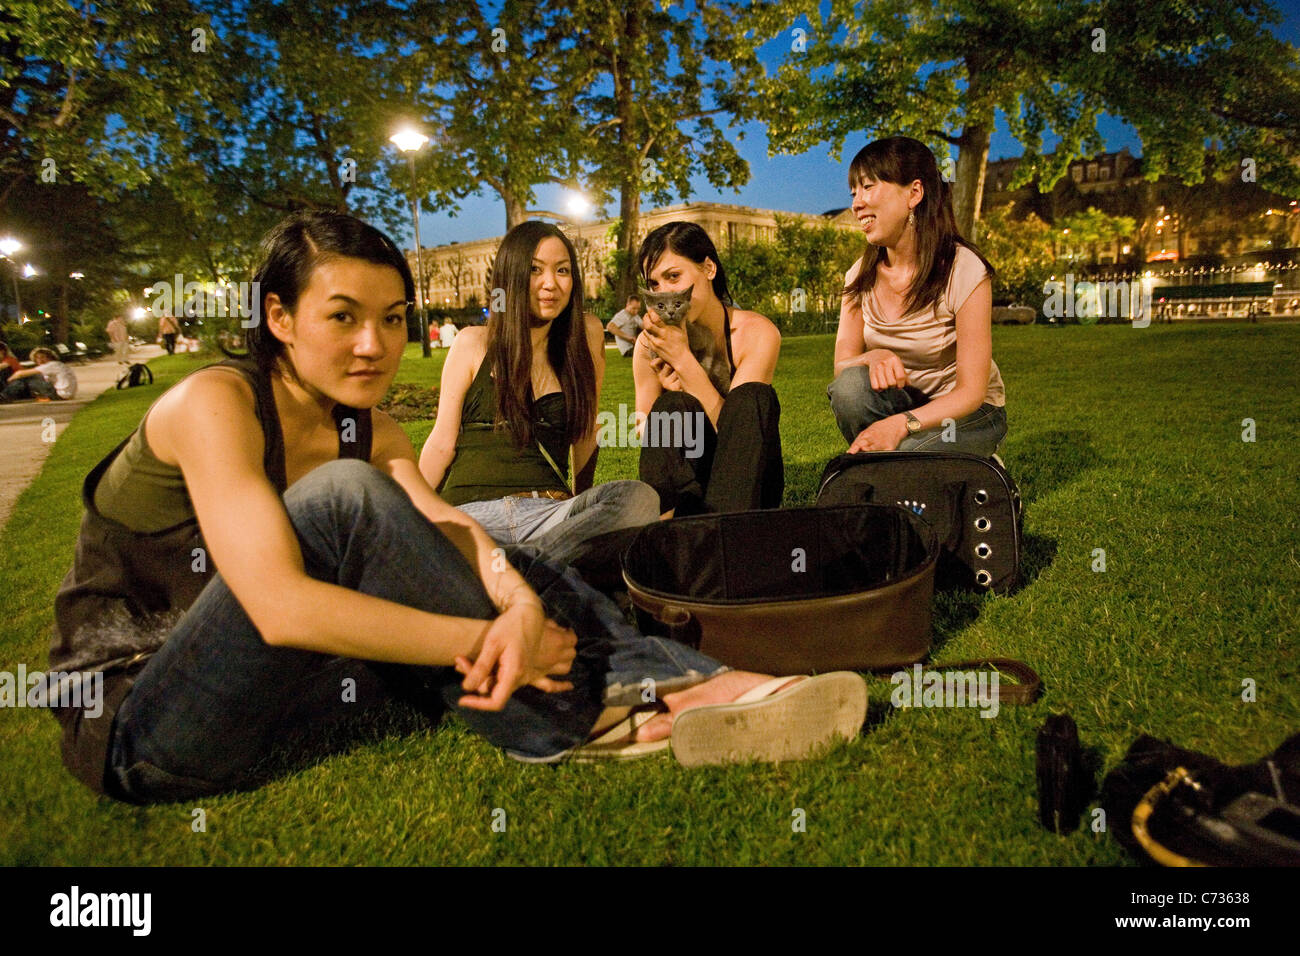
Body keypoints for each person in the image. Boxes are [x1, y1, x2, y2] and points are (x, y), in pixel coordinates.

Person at [48, 210, 865, 802]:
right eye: (343, 318)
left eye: (393, 319)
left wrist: (511, 599)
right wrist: (487, 635)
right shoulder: (215, 405)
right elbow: (278, 606)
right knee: (344, 497)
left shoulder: (368, 427)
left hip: (291, 696)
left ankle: (699, 685)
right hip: (142, 717)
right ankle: (577, 720)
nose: (374, 344)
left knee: (522, 561)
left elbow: (452, 526)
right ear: (278, 317)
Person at [419, 221, 660, 569]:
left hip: (550, 515)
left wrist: (582, 504)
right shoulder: (473, 342)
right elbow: (441, 444)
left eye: (562, 270)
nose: (551, 284)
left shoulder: (583, 338)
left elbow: (584, 434)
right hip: (472, 516)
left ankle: (514, 568)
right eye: (534, 270)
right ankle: (541, 571)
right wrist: (408, 516)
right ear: (510, 276)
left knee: (638, 498)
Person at [827, 136, 1007, 458]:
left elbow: (972, 391)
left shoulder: (964, 269)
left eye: (868, 187)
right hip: (903, 402)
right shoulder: (858, 277)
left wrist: (900, 426)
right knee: (851, 388)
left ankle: (975, 464)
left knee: (906, 452)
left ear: (914, 193)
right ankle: (912, 463)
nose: (856, 203)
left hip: (965, 413)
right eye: (854, 192)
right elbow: (842, 366)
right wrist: (871, 357)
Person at [633, 221, 784, 518]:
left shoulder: (756, 333)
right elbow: (645, 435)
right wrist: (674, 395)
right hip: (688, 484)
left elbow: (741, 434)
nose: (664, 294)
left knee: (753, 397)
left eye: (673, 277)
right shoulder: (649, 344)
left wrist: (683, 361)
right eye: (654, 284)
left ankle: (720, 540)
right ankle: (662, 539)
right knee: (671, 407)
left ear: (709, 269)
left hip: (751, 483)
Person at [1, 346, 77, 401]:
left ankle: (4, 396)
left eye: (43, 357)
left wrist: (9, 380)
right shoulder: (58, 364)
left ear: (50, 357)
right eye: (37, 358)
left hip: (60, 395)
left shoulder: (51, 365)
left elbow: (20, 374)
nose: (40, 360)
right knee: (32, 378)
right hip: (65, 394)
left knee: (27, 378)